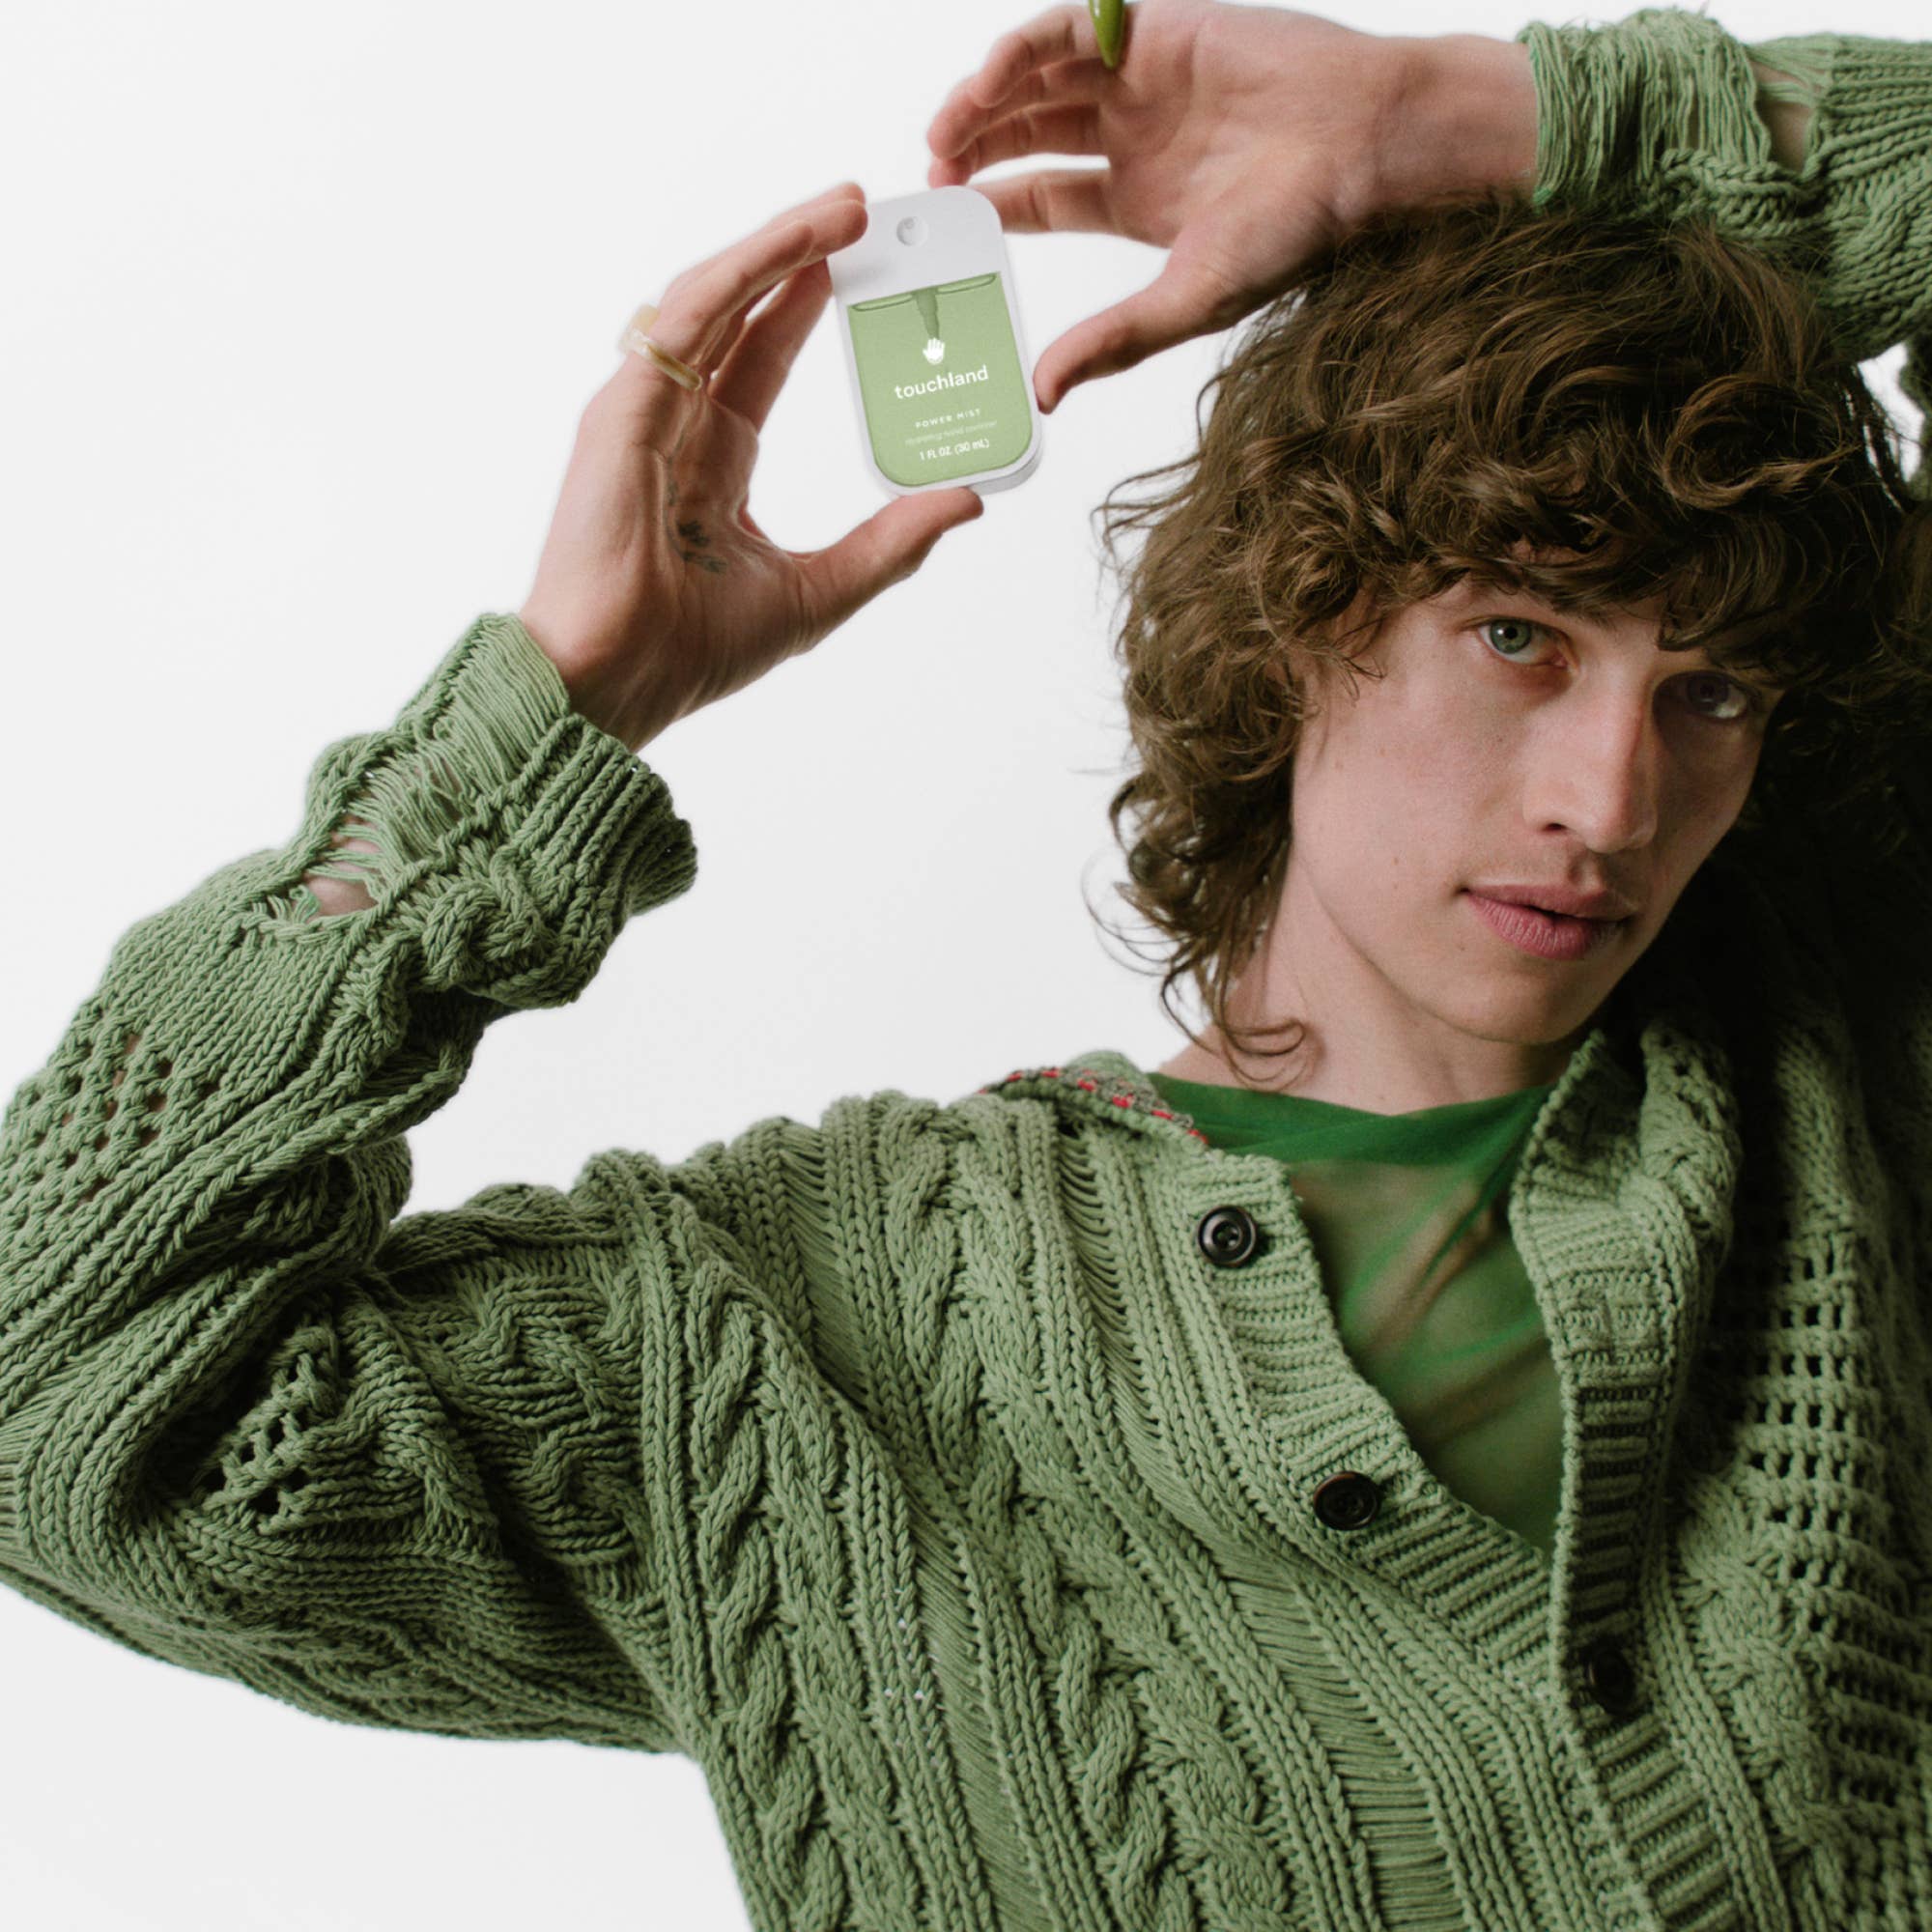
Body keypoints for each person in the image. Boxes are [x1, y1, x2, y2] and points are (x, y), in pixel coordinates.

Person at [3, 3, 1929, 1927]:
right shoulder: (795, 1338)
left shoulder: (1827, 1047)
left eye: (1710, 691)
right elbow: (54, 1403)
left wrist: (1464, 116)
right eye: (1519, 638)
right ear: (1300, 618)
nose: (1612, 796)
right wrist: (540, 725)